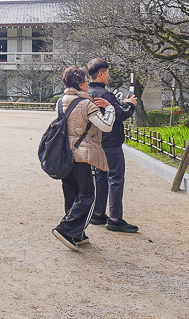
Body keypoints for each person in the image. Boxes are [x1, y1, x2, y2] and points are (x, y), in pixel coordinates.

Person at [52, 66, 115, 251]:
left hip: (64, 154)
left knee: (71, 193)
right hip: (82, 154)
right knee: (87, 194)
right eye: (86, 81)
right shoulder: (86, 104)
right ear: (80, 84)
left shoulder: (60, 101)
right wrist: (110, 108)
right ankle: (65, 229)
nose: (88, 84)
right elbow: (106, 126)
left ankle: (77, 234)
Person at [86, 58, 140, 233]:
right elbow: (120, 115)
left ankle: (98, 212)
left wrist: (122, 104)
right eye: (108, 73)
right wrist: (130, 105)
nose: (109, 76)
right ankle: (115, 218)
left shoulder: (88, 92)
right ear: (101, 74)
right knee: (115, 178)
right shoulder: (105, 94)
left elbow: (114, 110)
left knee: (101, 177)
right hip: (111, 143)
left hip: (96, 142)